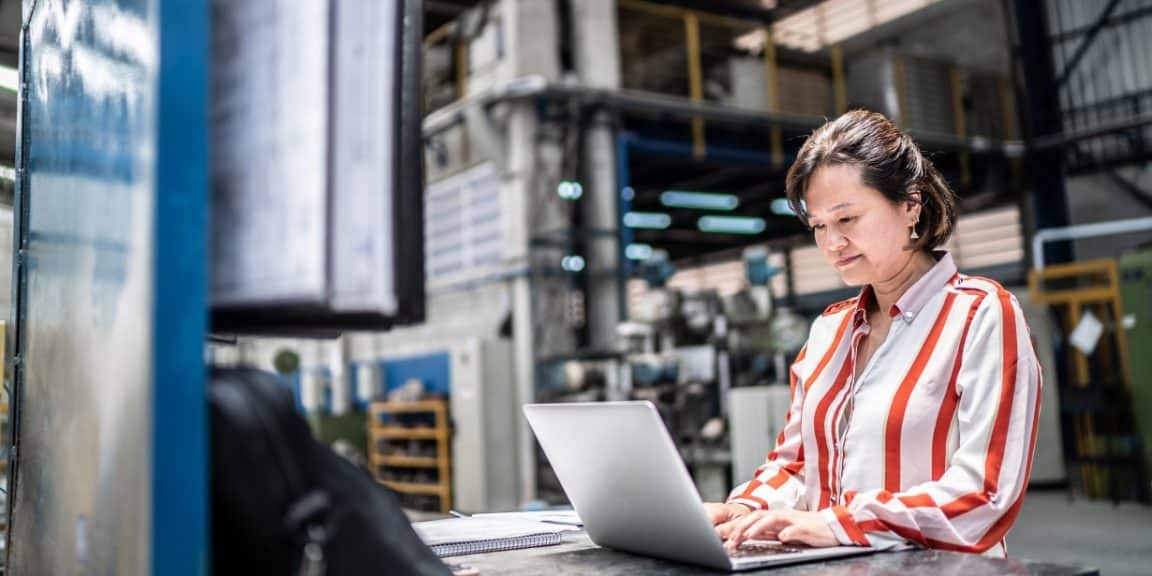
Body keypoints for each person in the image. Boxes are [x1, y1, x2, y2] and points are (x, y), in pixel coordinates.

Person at [704, 110, 1042, 557]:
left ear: (910, 207)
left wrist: (839, 524)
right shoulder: (829, 330)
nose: (831, 244)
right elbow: (798, 465)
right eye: (819, 226)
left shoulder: (979, 314)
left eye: (847, 220)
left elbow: (986, 495)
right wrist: (745, 509)